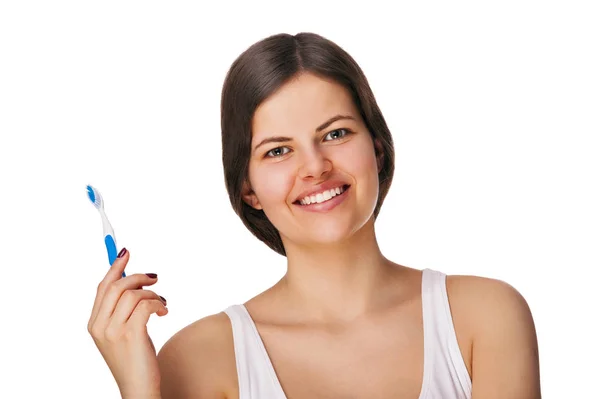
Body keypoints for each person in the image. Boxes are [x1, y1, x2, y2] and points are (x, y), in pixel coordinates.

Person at [88, 32, 541, 399]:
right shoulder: (199, 359)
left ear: (377, 149)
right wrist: (139, 393)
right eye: (278, 150)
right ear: (249, 190)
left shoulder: (485, 318)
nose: (315, 166)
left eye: (336, 133)